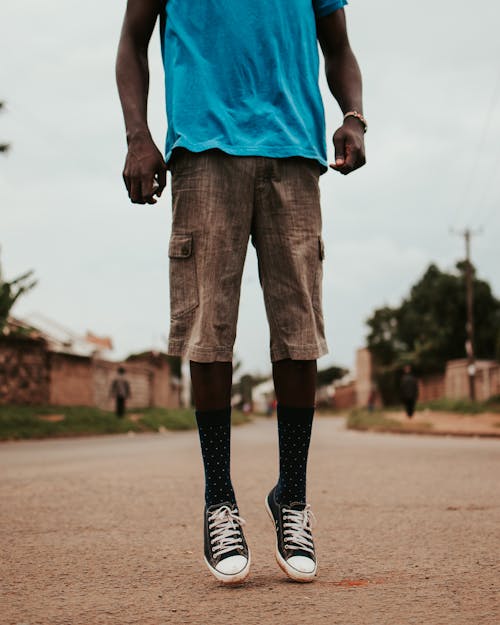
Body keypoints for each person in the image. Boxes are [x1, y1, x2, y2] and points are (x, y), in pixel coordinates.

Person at [116, 0, 366, 584]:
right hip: (203, 151)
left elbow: (339, 46)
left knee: (299, 333)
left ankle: (294, 500)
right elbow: (132, 39)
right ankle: (219, 501)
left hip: (295, 154)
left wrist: (354, 115)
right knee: (209, 333)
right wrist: (138, 135)